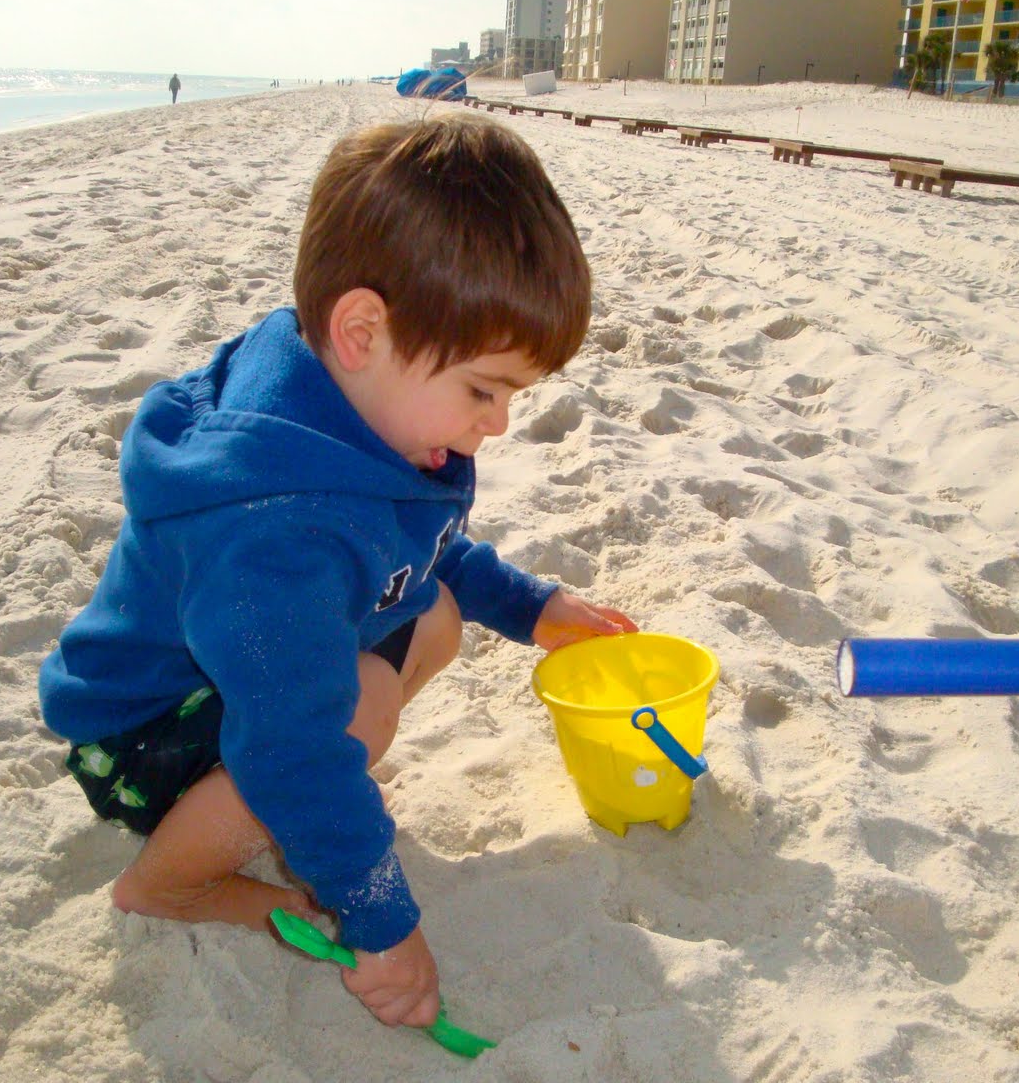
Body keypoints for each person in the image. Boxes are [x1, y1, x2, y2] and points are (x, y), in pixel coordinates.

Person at [39, 111, 636, 1032]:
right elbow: (294, 742)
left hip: (246, 675)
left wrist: (533, 607)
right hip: (137, 735)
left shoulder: (348, 401)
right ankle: (168, 883)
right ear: (361, 329)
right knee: (349, 709)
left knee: (431, 614)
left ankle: (283, 813)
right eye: (484, 390)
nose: (499, 425)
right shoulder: (273, 532)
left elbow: (417, 551)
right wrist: (381, 919)